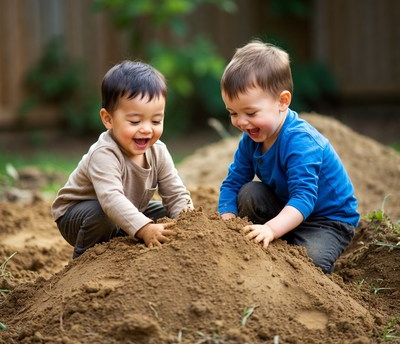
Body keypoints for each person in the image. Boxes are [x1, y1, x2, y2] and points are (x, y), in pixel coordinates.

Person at [217, 40, 359, 273]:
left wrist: (270, 229)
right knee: (249, 193)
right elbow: (233, 182)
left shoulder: (300, 141)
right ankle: (282, 237)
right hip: (286, 206)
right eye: (233, 113)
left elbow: (304, 198)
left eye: (251, 113)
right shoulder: (251, 138)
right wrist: (227, 219)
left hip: (326, 220)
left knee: (310, 262)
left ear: (282, 101)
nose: (241, 122)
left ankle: (285, 241)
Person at [52, 61, 193, 258]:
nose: (146, 128)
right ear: (108, 119)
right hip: (78, 216)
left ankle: (122, 234)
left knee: (165, 217)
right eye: (135, 121)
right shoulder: (104, 153)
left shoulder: (158, 151)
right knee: (101, 215)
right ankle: (83, 261)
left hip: (125, 209)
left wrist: (190, 224)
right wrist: (144, 228)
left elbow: (176, 194)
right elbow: (111, 199)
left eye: (156, 121)